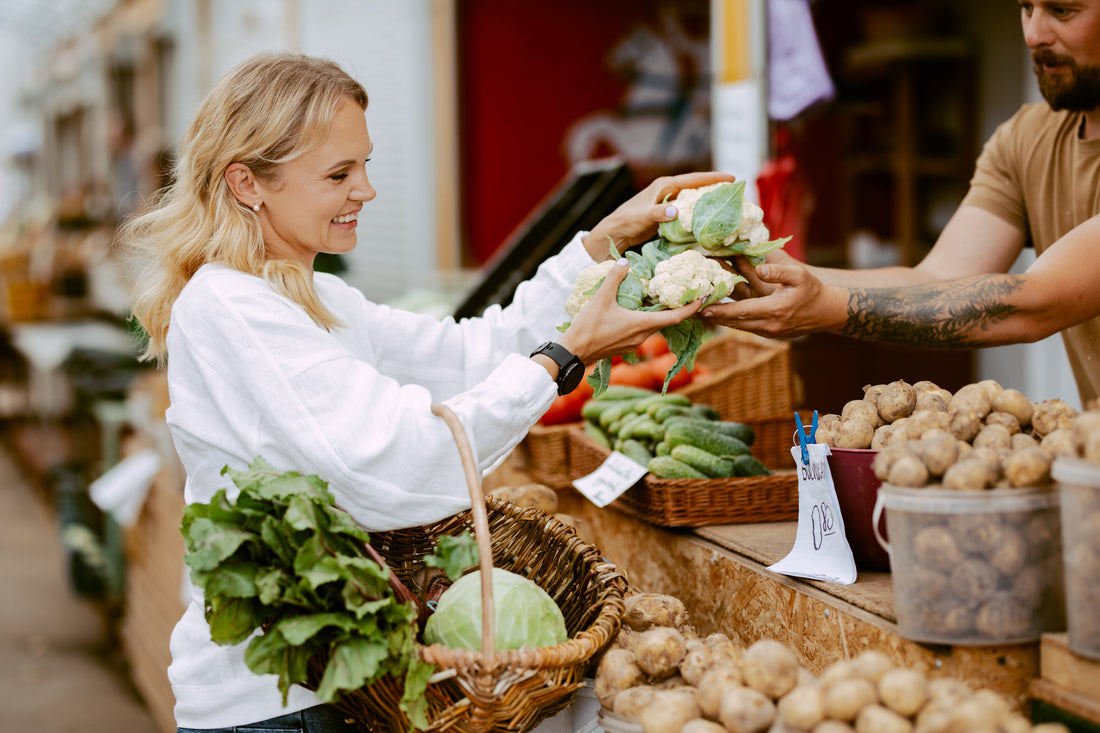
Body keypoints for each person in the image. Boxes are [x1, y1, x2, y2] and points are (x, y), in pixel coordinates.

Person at [119, 50, 730, 732]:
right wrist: (565, 355)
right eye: (339, 173)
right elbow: (396, 460)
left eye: (366, 165)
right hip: (271, 705)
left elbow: (468, 353)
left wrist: (597, 246)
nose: (366, 190)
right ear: (247, 182)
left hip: (325, 691)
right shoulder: (234, 306)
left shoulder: (312, 295)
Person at [703, 0, 1100, 407]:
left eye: (1062, 10)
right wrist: (791, 279)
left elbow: (1034, 304)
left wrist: (829, 307)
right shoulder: (1027, 138)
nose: (1034, 34)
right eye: (1026, 8)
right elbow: (939, 278)